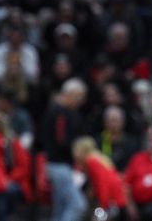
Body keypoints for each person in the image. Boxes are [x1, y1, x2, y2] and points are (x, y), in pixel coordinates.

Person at [40, 78, 88, 221]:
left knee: (61, 208)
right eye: (80, 96)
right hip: (58, 165)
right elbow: (62, 140)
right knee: (78, 205)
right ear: (70, 94)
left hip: (61, 165)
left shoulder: (64, 112)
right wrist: (77, 150)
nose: (81, 100)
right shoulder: (59, 113)